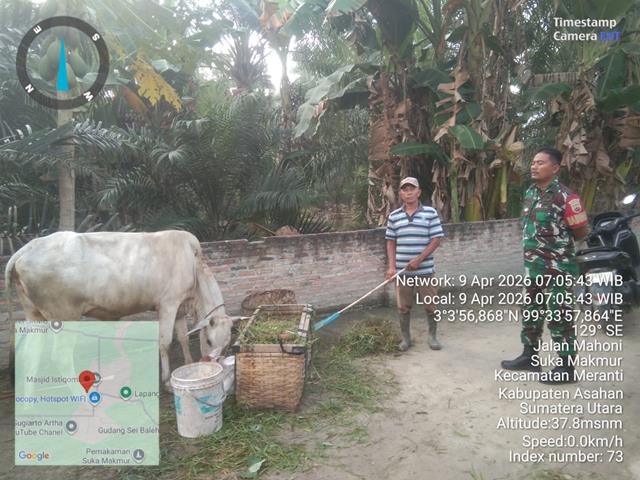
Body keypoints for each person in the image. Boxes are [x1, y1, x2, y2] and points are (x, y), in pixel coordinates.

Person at [501, 147, 590, 384]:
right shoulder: (531, 192)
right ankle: (530, 358)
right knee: (531, 312)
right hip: (533, 268)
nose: (534, 166)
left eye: (540, 163)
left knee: (560, 316)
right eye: (533, 162)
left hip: (559, 268)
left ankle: (566, 367)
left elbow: (581, 231)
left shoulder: (567, 197)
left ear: (555, 168)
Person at [385, 177, 444, 351]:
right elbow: (390, 242)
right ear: (400, 194)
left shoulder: (430, 213)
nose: (408, 192)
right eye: (405, 189)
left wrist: (419, 259)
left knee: (431, 306)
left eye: (412, 189)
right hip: (403, 273)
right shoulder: (394, 216)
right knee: (403, 307)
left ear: (418, 192)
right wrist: (392, 267)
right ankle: (406, 339)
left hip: (425, 271)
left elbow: (436, 240)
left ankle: (432, 337)